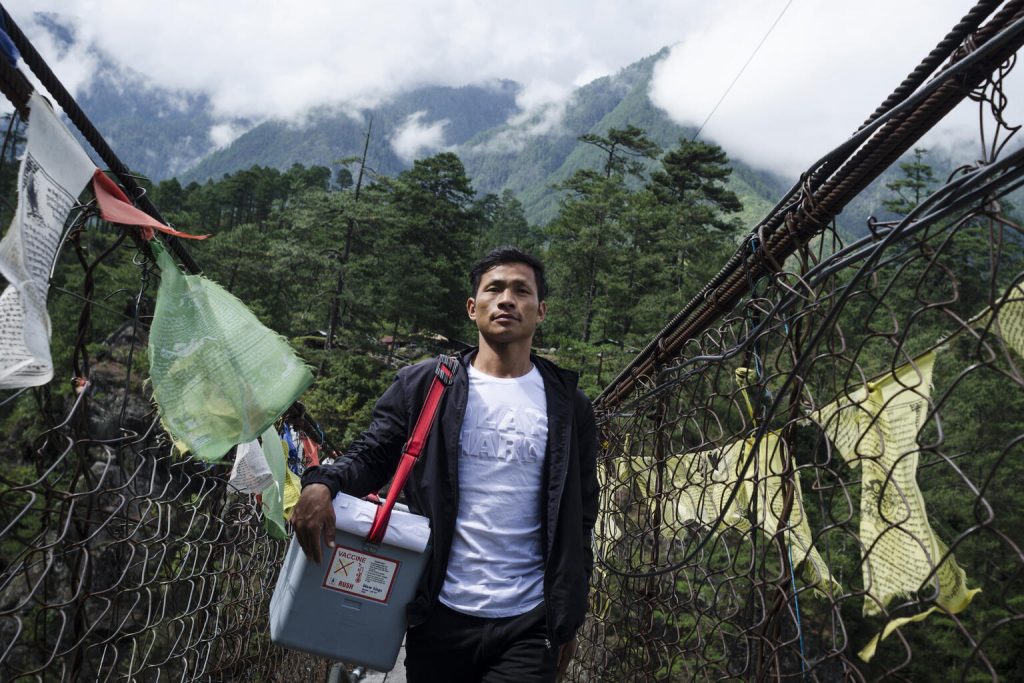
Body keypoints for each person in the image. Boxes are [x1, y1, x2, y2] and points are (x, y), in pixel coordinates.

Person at [292, 246, 599, 682]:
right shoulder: (429, 385)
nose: (507, 299)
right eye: (494, 289)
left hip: (530, 619)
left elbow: (582, 514)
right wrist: (322, 483)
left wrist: (570, 614)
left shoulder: (568, 405)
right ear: (473, 308)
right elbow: (376, 451)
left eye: (521, 291)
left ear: (540, 310)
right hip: (439, 611)